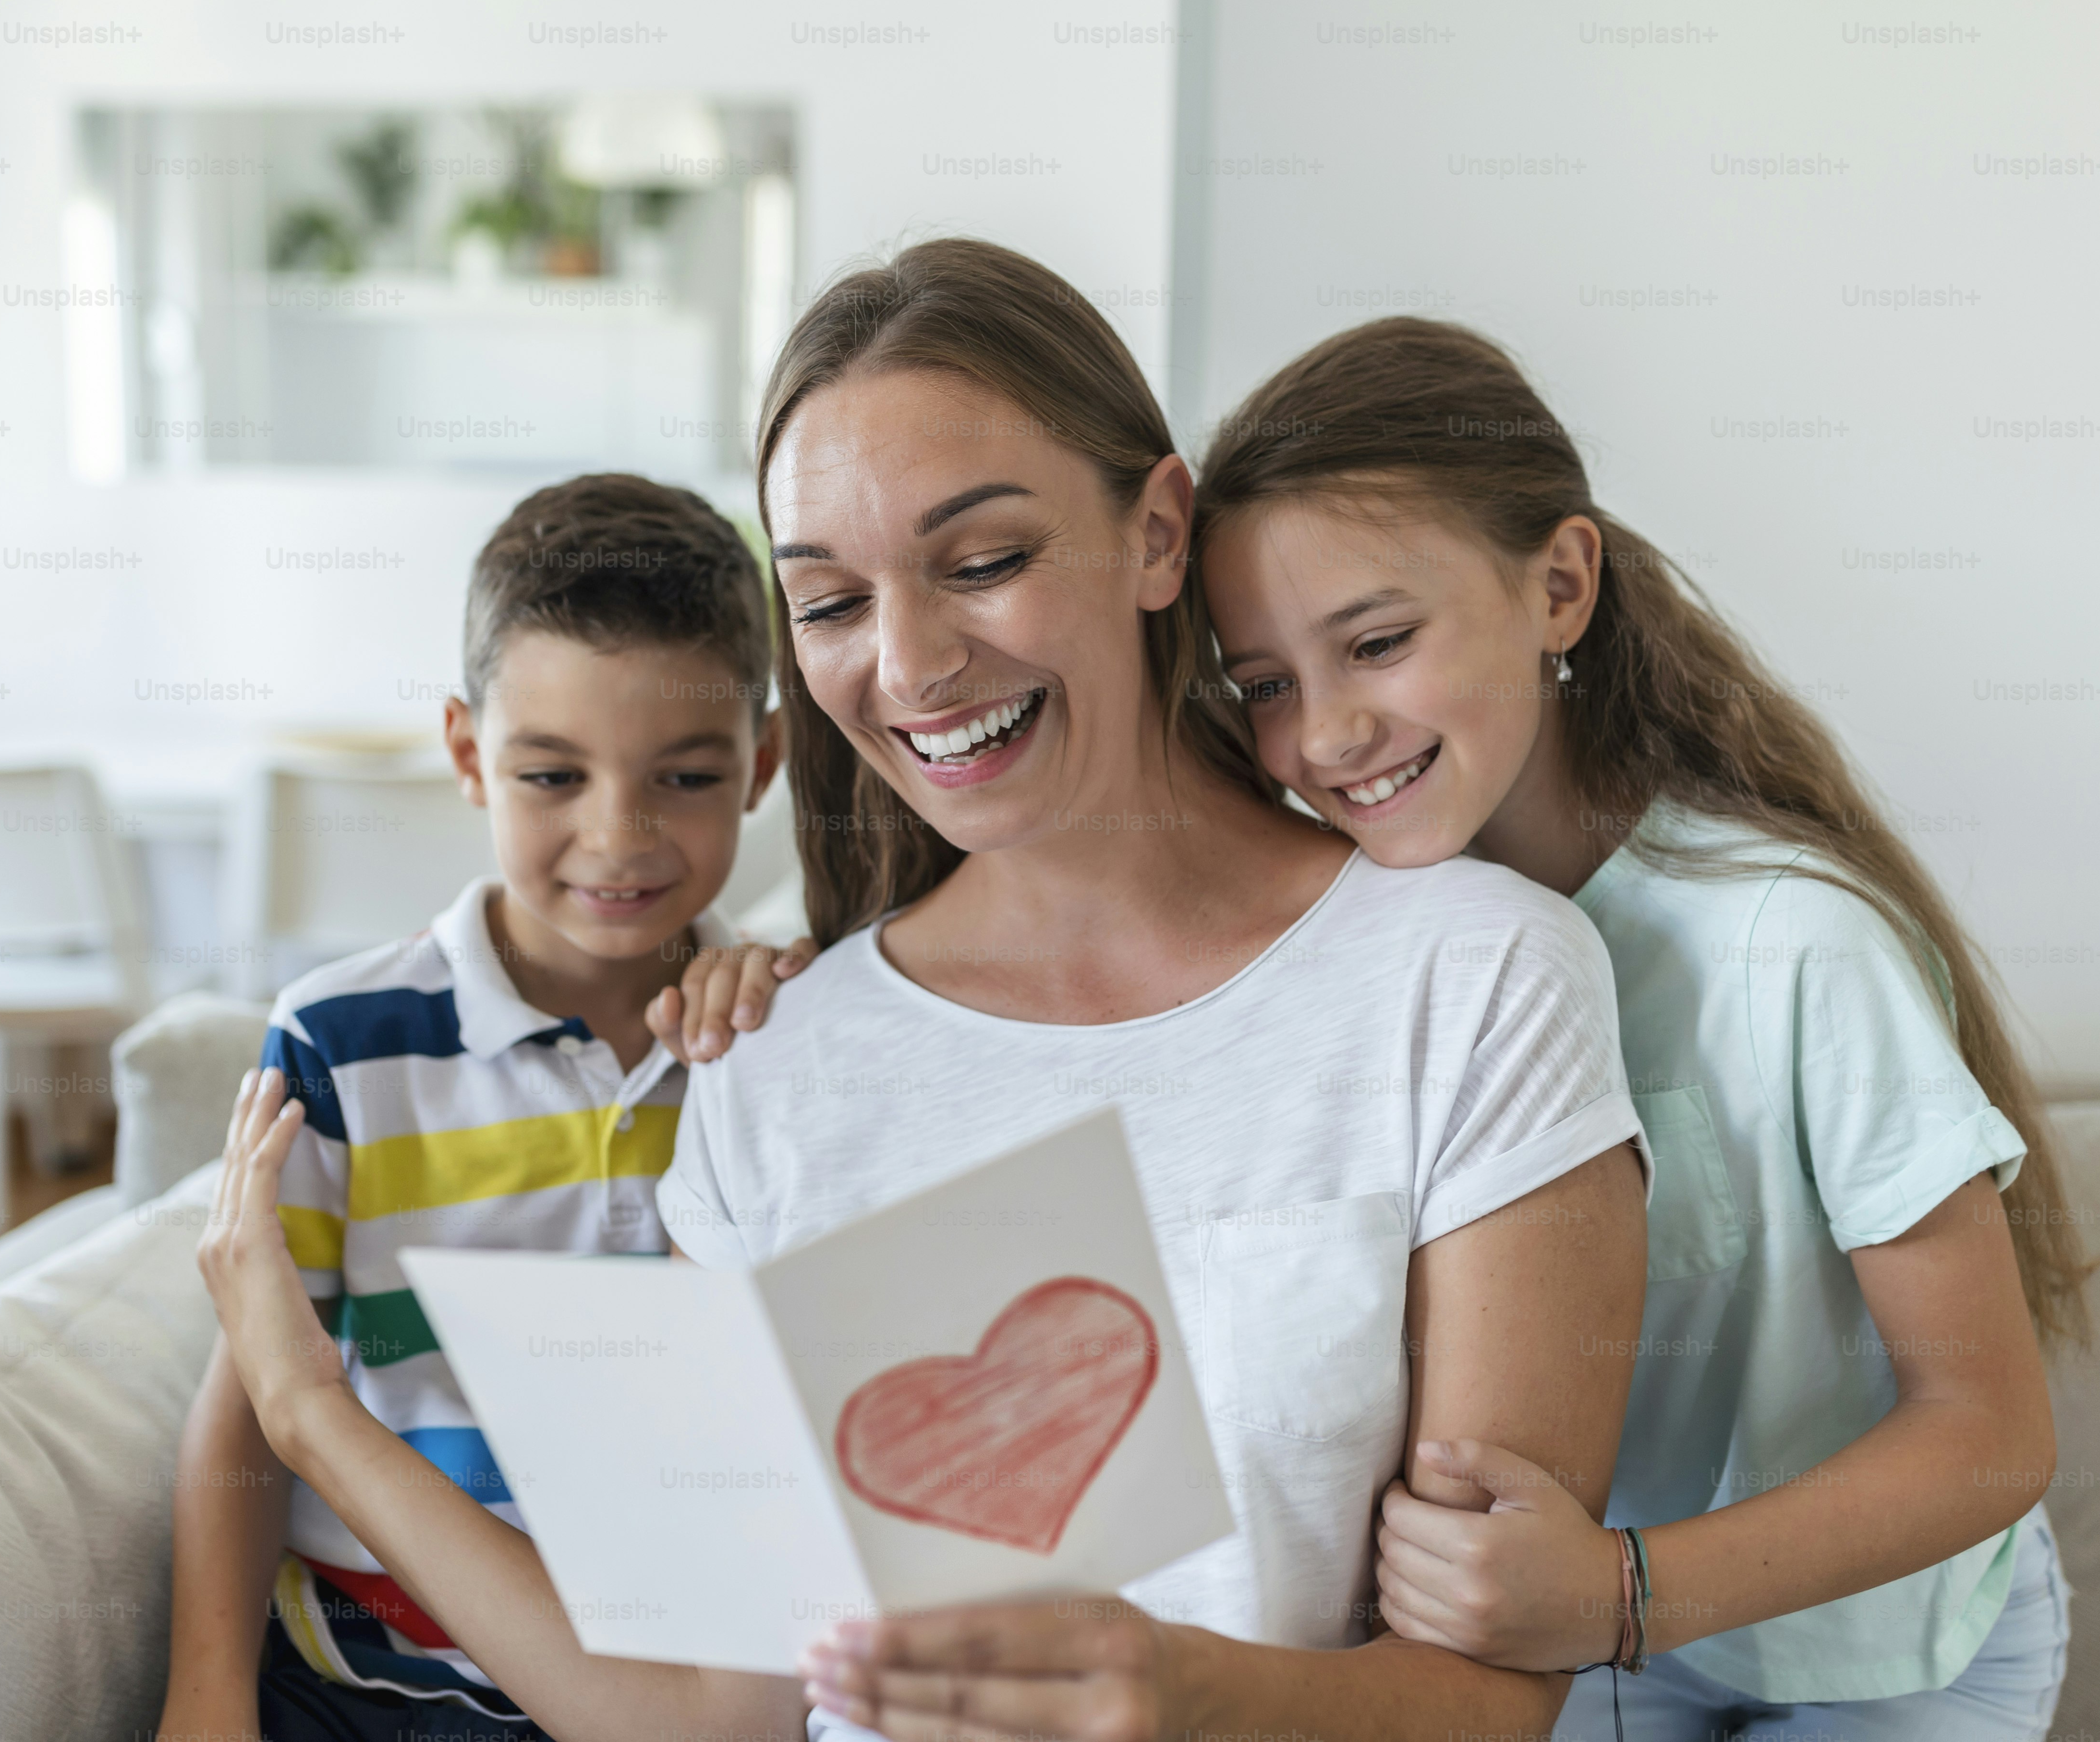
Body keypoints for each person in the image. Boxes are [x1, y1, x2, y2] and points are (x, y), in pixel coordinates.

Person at [651, 237, 1652, 1742]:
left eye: (983, 563)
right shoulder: (766, 1073)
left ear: (1156, 535)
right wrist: (313, 1412)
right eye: (833, 603)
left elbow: (1490, 1699)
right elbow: (724, 1709)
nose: (911, 665)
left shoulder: (1473, 979)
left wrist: (1184, 1697)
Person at [1189, 318, 2087, 1740]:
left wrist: (1617, 1591)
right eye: (1265, 687)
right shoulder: (1362, 957)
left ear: (1558, 586)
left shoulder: (1794, 942)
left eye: (1378, 642)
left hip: (1878, 1647)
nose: (1325, 737)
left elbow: (1991, 1434)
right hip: (1606, 1649)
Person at [158, 474, 785, 1742]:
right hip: (360, 1684)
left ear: (762, 764)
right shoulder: (342, 1044)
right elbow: (254, 1400)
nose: (619, 839)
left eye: (684, 778)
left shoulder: (773, 1040)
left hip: (653, 1686)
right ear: (466, 755)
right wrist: (205, 1696)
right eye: (553, 776)